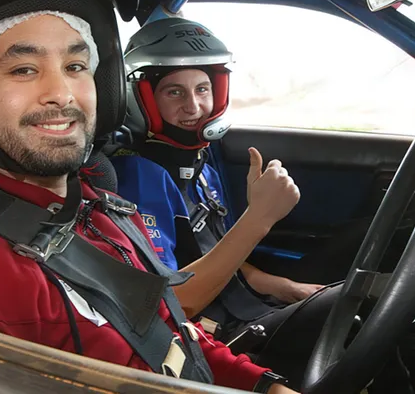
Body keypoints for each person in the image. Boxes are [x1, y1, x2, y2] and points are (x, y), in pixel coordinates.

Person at [0, 0, 296, 393]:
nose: (61, 93)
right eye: (23, 69)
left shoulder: (98, 205)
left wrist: (264, 385)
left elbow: (167, 330)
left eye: (76, 65)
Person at [109, 18, 329, 359]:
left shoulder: (201, 165)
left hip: (245, 309)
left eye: (202, 89)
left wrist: (284, 287)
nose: (193, 107)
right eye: (174, 92)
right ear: (143, 98)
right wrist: (259, 218)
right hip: (207, 336)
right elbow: (170, 300)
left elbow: (219, 255)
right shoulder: (138, 177)